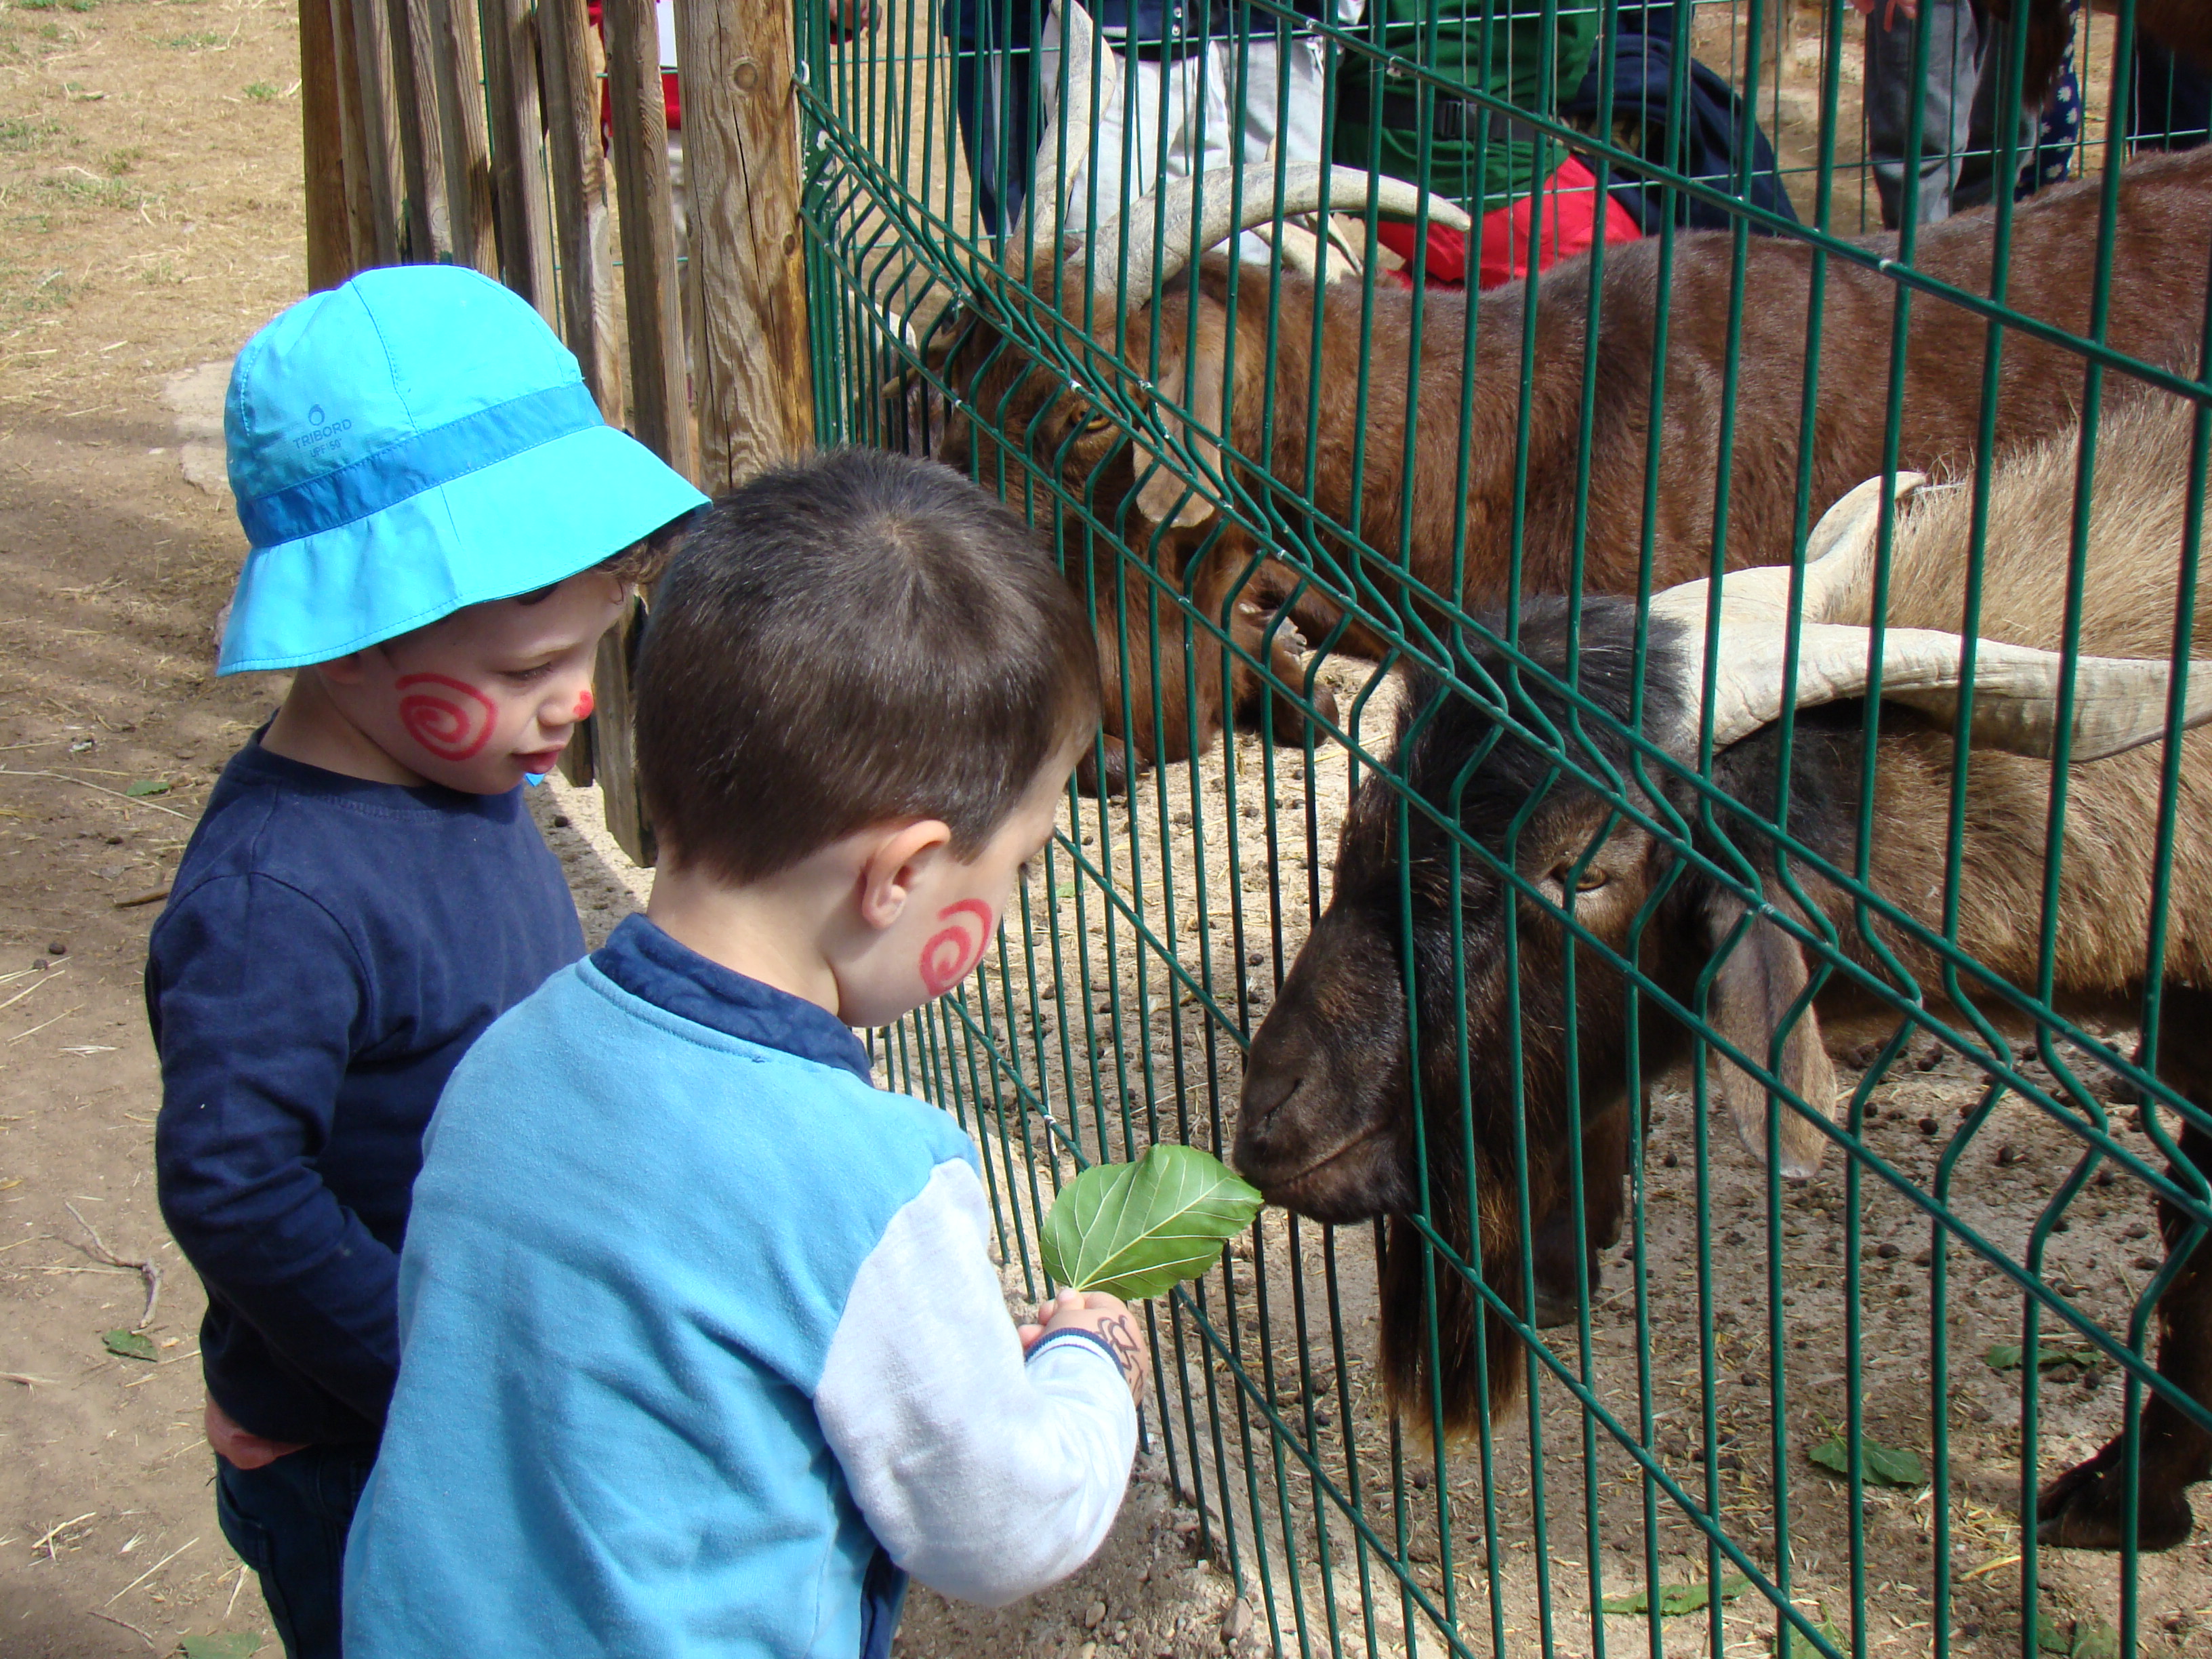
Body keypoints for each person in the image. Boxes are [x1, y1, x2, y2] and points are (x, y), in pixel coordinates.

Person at [342, 449, 1149, 1658]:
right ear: (903, 876)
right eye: (1018, 863)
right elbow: (1001, 1526)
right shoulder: (871, 1184)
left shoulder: (508, 1058)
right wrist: (1089, 1367)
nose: (1016, 893)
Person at [148, 264, 710, 1659]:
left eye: (587, 653)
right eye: (526, 673)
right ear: (347, 642)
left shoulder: (456, 771)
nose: (573, 704)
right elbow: (235, 1185)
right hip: (367, 1451)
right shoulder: (277, 900)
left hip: (488, 1378)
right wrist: (434, 1376)